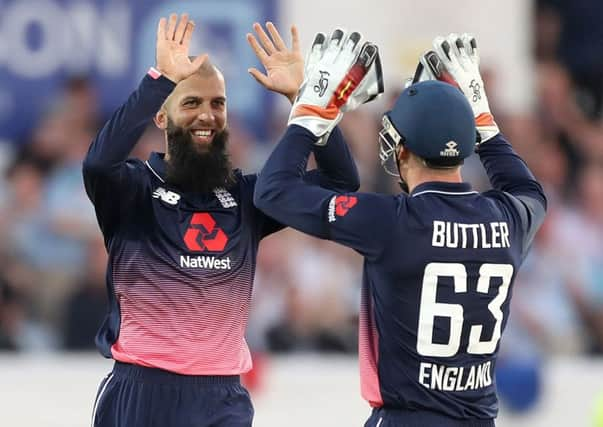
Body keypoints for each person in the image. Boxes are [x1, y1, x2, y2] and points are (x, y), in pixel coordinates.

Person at [254, 32, 547, 426]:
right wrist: (484, 120)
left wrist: (309, 110)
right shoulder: (507, 218)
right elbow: (528, 190)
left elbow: (273, 192)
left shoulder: (392, 221)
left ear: (402, 150)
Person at [83, 14, 360, 427]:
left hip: (222, 397)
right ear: (162, 118)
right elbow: (99, 163)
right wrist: (159, 81)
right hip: (141, 391)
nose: (207, 115)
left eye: (218, 103)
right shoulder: (133, 191)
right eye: (191, 102)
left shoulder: (250, 198)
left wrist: (307, 102)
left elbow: (341, 182)